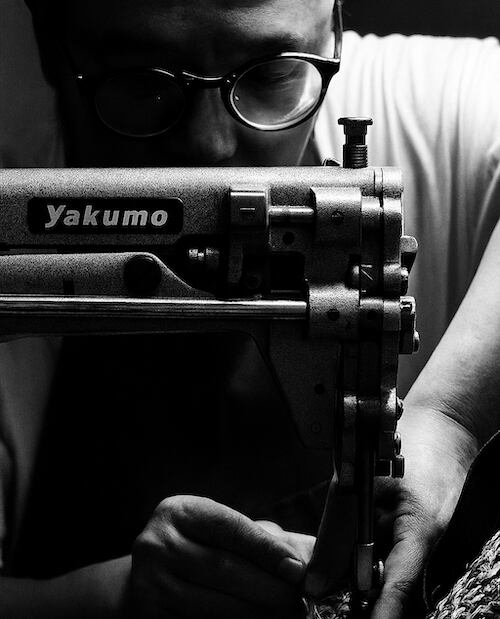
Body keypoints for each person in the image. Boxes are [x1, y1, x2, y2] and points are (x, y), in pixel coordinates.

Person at [1, 0, 499, 617]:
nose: (211, 145)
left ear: (334, 29)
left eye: (270, 73)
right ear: (51, 46)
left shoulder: (430, 109)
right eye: (143, 80)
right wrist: (102, 600)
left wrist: (450, 418)